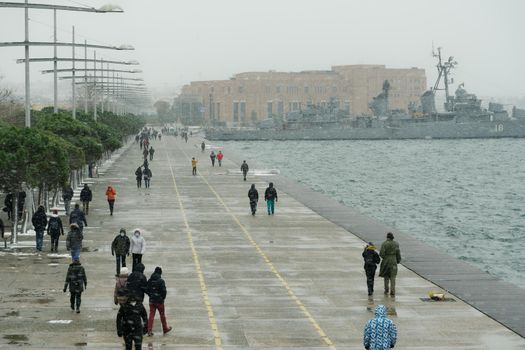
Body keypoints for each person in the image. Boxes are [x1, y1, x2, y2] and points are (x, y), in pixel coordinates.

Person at [146, 267, 172, 336]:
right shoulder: (161, 281)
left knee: (151, 315)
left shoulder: (150, 280)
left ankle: (149, 330)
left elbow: (146, 289)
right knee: (162, 315)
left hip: (152, 301)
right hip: (159, 301)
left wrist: (151, 295)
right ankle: (165, 328)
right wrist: (162, 298)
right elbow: (164, 291)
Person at [379, 232, 401, 297]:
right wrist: (398, 260)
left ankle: (386, 290)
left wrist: (385, 258)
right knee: (393, 277)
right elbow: (398, 253)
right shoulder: (396, 244)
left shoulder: (384, 244)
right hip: (394, 260)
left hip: (386, 261)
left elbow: (381, 253)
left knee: (386, 276)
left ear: (387, 237)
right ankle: (393, 291)